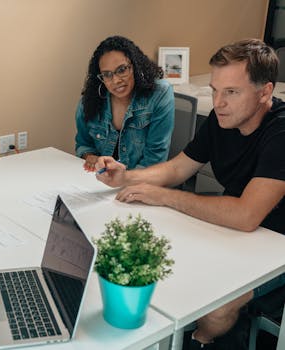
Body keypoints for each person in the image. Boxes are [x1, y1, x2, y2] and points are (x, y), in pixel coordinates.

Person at [95, 39, 285, 349]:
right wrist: (125, 177)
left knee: (216, 307)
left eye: (231, 92)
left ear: (265, 92)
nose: (218, 102)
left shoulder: (281, 132)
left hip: (277, 249)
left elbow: (245, 215)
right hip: (238, 235)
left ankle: (200, 341)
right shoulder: (223, 117)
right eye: (214, 90)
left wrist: (165, 196)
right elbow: (178, 169)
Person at [75, 35, 175, 172]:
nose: (116, 80)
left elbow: (154, 160)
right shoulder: (90, 100)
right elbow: (83, 144)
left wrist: (123, 181)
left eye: (122, 70)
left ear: (135, 66)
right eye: (107, 74)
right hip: (101, 182)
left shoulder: (159, 93)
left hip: (142, 182)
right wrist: (90, 156)